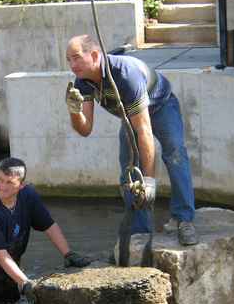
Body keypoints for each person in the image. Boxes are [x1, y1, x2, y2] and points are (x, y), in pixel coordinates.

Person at [65, 34, 198, 246]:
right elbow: (85, 129)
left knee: (175, 154)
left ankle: (184, 219)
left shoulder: (125, 74)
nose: (73, 65)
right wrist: (74, 110)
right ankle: (140, 230)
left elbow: (144, 130)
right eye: (69, 60)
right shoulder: (83, 82)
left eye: (77, 58)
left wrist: (150, 181)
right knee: (128, 169)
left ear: (95, 55)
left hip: (161, 105)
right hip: (130, 116)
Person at [0, 157, 90, 304]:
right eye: (0, 180)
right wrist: (25, 283)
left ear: (21, 185)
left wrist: (68, 254)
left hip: (11, 265)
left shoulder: (28, 195)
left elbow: (49, 225)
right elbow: (1, 255)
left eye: (9, 182)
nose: (2, 187)